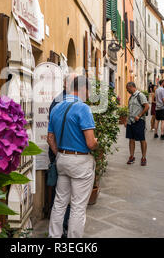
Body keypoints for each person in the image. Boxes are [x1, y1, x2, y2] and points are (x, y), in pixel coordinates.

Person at [47, 76, 98, 238]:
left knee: (59, 203)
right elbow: (90, 143)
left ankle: (54, 236)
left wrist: (61, 154)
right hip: (80, 162)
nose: (89, 95)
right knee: (77, 206)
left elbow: (50, 138)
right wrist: (97, 143)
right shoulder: (83, 108)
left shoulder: (56, 107)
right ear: (83, 89)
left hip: (61, 159)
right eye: (89, 91)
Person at [47, 73, 77, 238]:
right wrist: (60, 154)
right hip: (61, 155)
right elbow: (52, 133)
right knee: (61, 195)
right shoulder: (61, 102)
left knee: (62, 194)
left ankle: (60, 229)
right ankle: (62, 228)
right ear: (66, 84)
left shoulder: (64, 100)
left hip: (61, 154)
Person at [125, 82, 150, 166]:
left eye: (127, 89)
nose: (127, 91)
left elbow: (147, 106)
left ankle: (143, 157)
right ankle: (131, 156)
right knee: (131, 139)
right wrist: (126, 120)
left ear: (131, 87)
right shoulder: (131, 98)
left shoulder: (140, 95)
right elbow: (129, 110)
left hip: (139, 121)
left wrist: (139, 115)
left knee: (142, 139)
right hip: (130, 121)